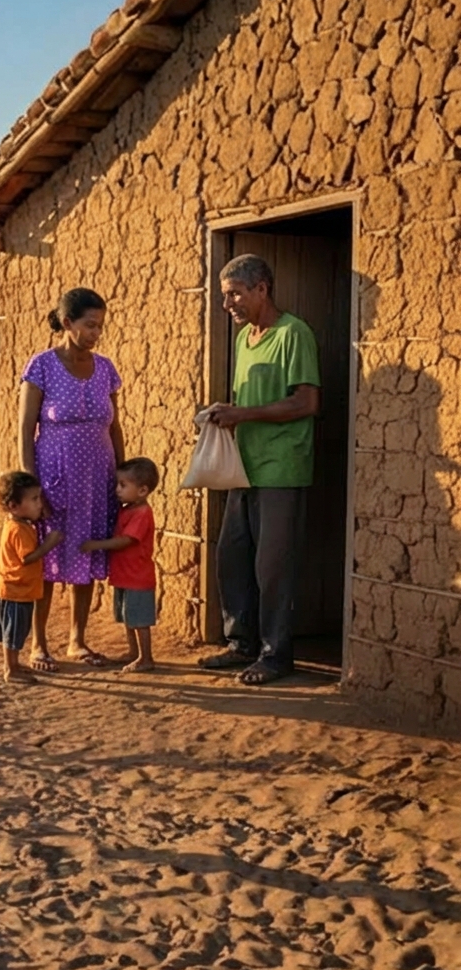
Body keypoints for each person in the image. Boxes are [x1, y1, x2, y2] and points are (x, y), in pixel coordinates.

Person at [199, 253, 320, 685]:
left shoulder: (293, 334)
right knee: (232, 557)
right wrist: (224, 415)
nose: (227, 303)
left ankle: (276, 654)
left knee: (273, 567)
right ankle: (241, 643)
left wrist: (244, 414)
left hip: (281, 469)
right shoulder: (244, 340)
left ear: (261, 289)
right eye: (224, 295)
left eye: (234, 294)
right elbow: (246, 405)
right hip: (243, 468)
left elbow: (306, 402)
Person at [18, 288, 125, 672]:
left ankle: (78, 641)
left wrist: (122, 478)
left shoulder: (106, 369)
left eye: (100, 325)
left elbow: (115, 428)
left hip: (98, 478)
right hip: (55, 478)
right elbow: (25, 429)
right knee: (49, 560)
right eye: (89, 325)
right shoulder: (41, 366)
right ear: (67, 323)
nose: (97, 332)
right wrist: (32, 488)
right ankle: (39, 644)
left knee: (88, 550)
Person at [81, 457, 159, 673]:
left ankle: (146, 657)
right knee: (128, 617)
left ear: (142, 490)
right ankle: (133, 652)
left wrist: (96, 545)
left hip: (137, 577)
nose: (118, 490)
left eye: (123, 485)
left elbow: (126, 540)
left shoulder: (142, 514)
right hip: (125, 576)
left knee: (140, 620)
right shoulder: (128, 509)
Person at [0, 471, 63, 683]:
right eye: (33, 499)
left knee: (14, 633)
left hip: (13, 589)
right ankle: (10, 670)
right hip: (15, 591)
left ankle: (14, 665)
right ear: (14, 506)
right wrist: (50, 543)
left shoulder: (15, 523)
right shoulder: (19, 530)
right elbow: (27, 558)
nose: (39, 504)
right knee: (13, 634)